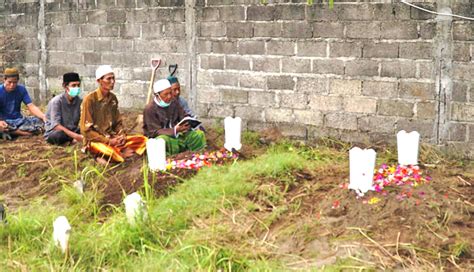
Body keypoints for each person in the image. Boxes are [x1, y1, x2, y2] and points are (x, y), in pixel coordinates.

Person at [80, 65, 147, 163]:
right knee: (112, 153)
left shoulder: (113, 99)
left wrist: (121, 135)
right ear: (99, 81)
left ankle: (117, 153)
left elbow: (117, 123)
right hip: (97, 141)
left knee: (143, 140)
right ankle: (110, 155)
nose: (112, 82)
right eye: (109, 79)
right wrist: (108, 141)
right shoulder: (90, 100)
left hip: (112, 138)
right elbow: (85, 131)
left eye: (113, 78)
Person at [143, 79, 206, 155]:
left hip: (178, 135)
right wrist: (175, 130)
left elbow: (183, 115)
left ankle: (195, 154)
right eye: (165, 94)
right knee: (162, 141)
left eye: (170, 93)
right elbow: (154, 132)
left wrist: (187, 124)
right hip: (164, 137)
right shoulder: (150, 109)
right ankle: (169, 159)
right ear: (157, 95)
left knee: (198, 135)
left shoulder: (173, 101)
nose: (169, 96)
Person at [0, 68, 46, 139]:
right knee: (3, 127)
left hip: (19, 120)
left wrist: (43, 116)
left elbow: (31, 106)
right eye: (9, 82)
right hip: (4, 121)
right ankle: (24, 133)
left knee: (40, 121)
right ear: (4, 80)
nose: (12, 85)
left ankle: (14, 132)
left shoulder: (21, 89)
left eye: (14, 82)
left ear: (17, 81)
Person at [44, 72, 83, 145]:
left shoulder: (79, 101)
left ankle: (71, 141)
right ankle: (71, 141)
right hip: (57, 132)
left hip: (72, 130)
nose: (76, 88)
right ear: (65, 86)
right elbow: (56, 126)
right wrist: (76, 136)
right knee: (58, 135)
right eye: (74, 85)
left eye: (78, 85)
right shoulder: (56, 102)